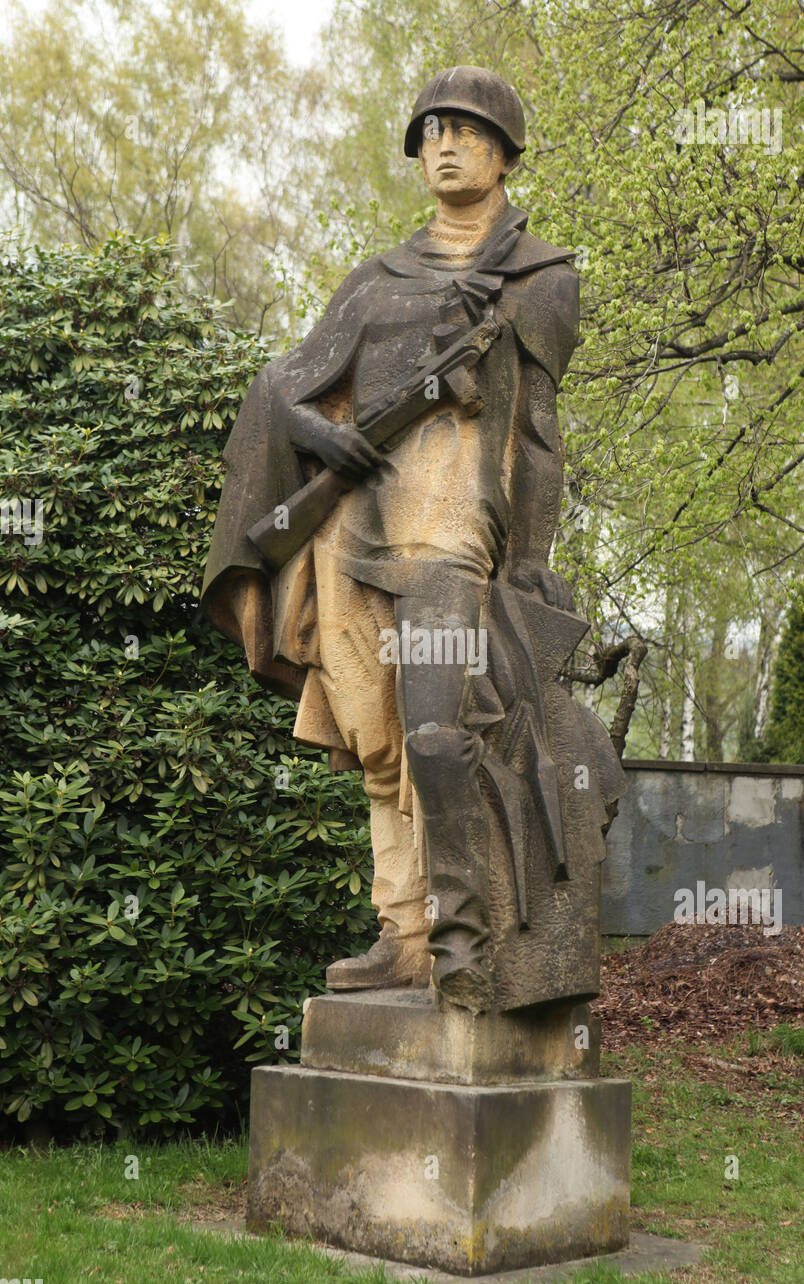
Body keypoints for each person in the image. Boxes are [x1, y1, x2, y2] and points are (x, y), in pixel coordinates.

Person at [202, 67, 601, 1014]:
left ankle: (469, 941)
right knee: (377, 744)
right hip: (349, 528)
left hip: (451, 530)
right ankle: (404, 934)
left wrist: (535, 556)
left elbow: (539, 437)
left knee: (437, 730)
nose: (445, 146)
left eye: (466, 130)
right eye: (430, 132)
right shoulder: (376, 280)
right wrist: (315, 434)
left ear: (504, 152)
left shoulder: (543, 279)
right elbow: (280, 386)